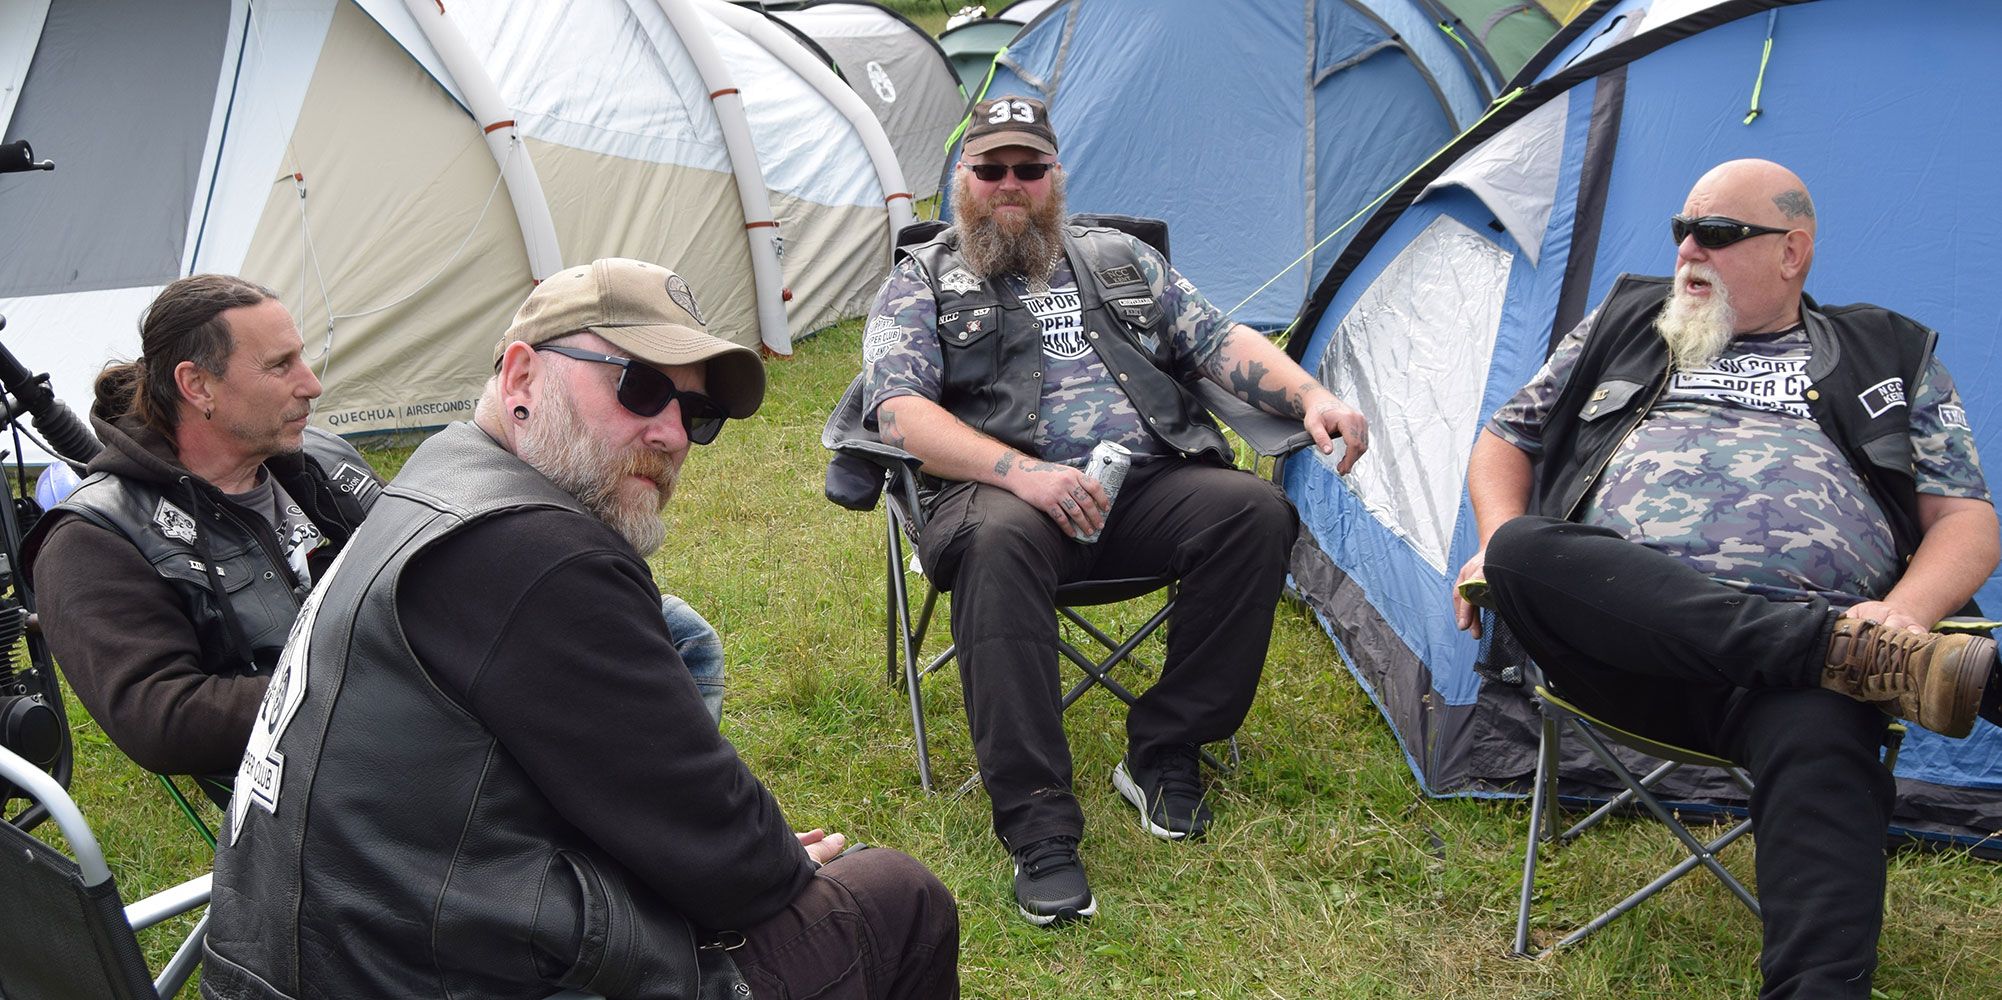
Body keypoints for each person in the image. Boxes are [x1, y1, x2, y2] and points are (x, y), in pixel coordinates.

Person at [203, 258, 959, 1000]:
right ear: (522, 378)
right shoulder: (537, 553)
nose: (673, 435)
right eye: (641, 387)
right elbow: (738, 864)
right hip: (423, 971)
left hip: (295, 963)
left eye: (696, 414)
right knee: (896, 898)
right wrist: (745, 858)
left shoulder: (438, 475)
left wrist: (699, 846)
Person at [1453, 159, 2002, 999]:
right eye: (1683, 230)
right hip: (1623, 648)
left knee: (1824, 731)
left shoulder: (1889, 354)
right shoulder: (1628, 321)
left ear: (1792, 252)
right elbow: (1505, 440)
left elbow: (1964, 519)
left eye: (1717, 233)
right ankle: (1835, 649)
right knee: (1525, 548)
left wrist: (1900, 618)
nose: (1688, 251)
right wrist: (1493, 543)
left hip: (1796, 687)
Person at [862, 95, 1369, 926]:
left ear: (1056, 176)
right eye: (991, 169)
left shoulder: (1121, 258)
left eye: (1029, 168)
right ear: (963, 179)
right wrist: (1024, 474)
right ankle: (1038, 826)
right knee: (996, 546)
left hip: (1144, 489)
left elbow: (1218, 341)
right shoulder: (922, 279)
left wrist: (1312, 396)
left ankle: (1166, 749)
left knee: (1250, 513)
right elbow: (898, 413)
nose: (1010, 184)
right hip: (1001, 499)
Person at [23, 275, 380, 805]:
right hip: (323, 796)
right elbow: (163, 716)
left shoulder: (324, 459)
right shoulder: (93, 539)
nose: (311, 383)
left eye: (300, 357)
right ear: (197, 385)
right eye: (279, 365)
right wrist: (368, 686)